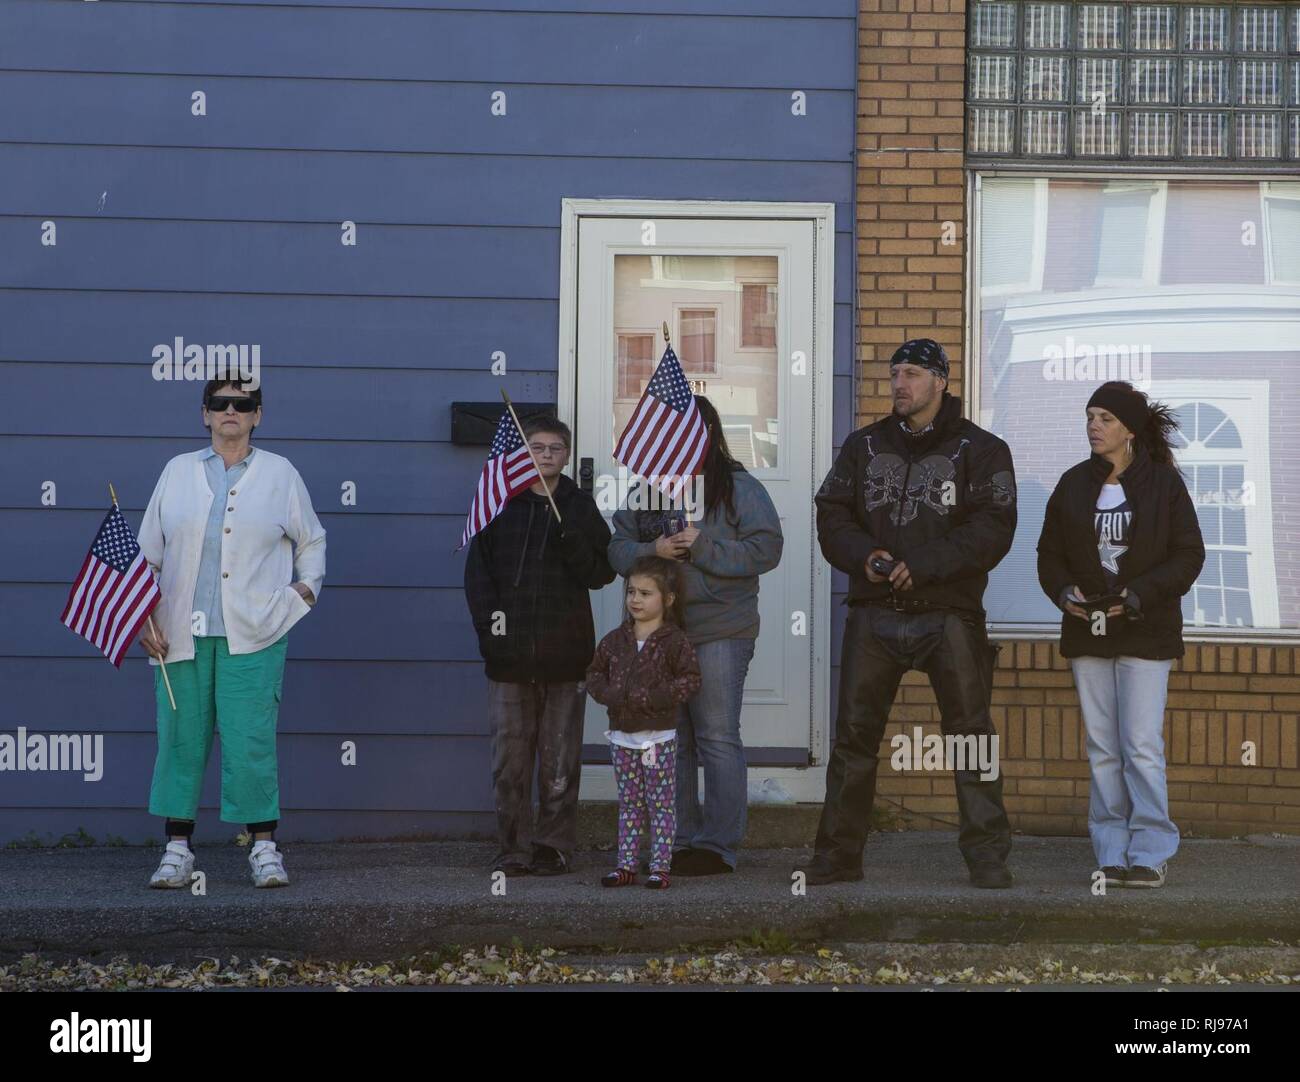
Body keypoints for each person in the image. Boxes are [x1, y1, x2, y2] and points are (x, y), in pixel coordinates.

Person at [799, 338, 1017, 888]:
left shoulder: (984, 450)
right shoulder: (863, 446)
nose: (900, 383)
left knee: (970, 735)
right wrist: (863, 556)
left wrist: (924, 564)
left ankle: (988, 858)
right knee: (854, 738)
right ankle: (838, 857)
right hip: (874, 614)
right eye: (895, 372)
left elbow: (993, 528)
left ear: (941, 381)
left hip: (948, 615)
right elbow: (832, 513)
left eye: (914, 374)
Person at [137, 378, 326, 889]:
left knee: (251, 741)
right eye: (219, 404)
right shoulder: (177, 472)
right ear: (205, 415)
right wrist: (143, 618)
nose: (230, 412)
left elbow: (312, 540)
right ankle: (177, 849)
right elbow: (147, 553)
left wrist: (301, 594)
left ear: (257, 416)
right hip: (178, 635)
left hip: (254, 633)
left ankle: (264, 848)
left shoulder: (279, 473)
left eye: (242, 405)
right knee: (179, 740)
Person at [1037, 381, 1204, 890]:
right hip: (1088, 631)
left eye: (1106, 418)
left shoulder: (1164, 485)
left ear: (1130, 429)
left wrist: (1138, 595)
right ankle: (1110, 850)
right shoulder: (1072, 484)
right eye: (1090, 416)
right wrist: (1064, 592)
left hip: (1146, 631)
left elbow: (1188, 555)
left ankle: (1150, 850)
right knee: (1102, 747)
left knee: (1141, 744)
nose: (1094, 425)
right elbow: (1048, 554)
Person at [608, 396, 783, 876]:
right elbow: (616, 551)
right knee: (671, 738)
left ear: (706, 433)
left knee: (716, 735)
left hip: (720, 631)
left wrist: (704, 548)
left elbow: (767, 549)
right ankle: (678, 840)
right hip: (662, 637)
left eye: (686, 429)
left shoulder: (738, 488)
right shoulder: (648, 490)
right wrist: (653, 549)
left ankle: (717, 846)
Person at [463, 415, 615, 877]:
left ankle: (554, 846)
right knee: (510, 760)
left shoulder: (578, 505)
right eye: (537, 447)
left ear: (567, 455)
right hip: (508, 658)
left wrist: (572, 544)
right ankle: (513, 846)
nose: (546, 455)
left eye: (555, 448)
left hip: (565, 653)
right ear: (523, 452)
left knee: (559, 758)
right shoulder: (500, 501)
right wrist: (494, 636)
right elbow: (478, 578)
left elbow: (601, 573)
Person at [586, 556, 701, 889]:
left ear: (668, 599)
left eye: (645, 593)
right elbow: (594, 674)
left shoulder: (674, 642)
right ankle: (625, 865)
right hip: (622, 738)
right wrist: (609, 693)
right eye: (631, 591)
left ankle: (660, 866)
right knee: (630, 802)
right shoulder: (614, 641)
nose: (635, 599)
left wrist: (656, 697)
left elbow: (691, 680)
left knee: (660, 803)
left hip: (657, 739)